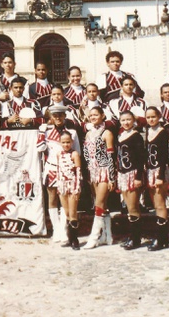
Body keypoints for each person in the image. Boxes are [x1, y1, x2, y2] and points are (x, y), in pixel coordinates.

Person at [37, 104, 81, 243]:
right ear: (51, 117)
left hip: (67, 170)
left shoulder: (72, 132)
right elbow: (40, 148)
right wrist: (41, 133)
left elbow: (77, 152)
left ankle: (65, 229)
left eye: (60, 115)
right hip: (51, 167)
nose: (58, 118)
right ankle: (57, 230)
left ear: (64, 116)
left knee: (66, 200)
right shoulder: (46, 131)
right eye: (55, 116)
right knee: (52, 198)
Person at [82, 106, 116, 249]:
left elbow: (111, 157)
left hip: (104, 171)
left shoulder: (107, 132)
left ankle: (94, 237)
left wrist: (112, 178)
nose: (93, 117)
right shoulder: (88, 133)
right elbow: (86, 156)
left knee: (99, 204)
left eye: (96, 114)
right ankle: (107, 236)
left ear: (102, 116)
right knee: (103, 205)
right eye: (91, 115)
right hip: (93, 171)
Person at [116, 110, 145, 250]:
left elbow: (141, 159)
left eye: (129, 120)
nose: (126, 122)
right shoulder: (121, 135)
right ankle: (133, 235)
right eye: (123, 120)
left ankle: (136, 239)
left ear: (133, 120)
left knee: (133, 206)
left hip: (133, 174)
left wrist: (138, 177)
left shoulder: (137, 136)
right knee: (128, 207)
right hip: (123, 174)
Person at [144, 106, 169, 251]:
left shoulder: (162, 133)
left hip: (159, 171)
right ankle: (161, 236)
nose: (151, 120)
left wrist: (160, 176)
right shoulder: (148, 131)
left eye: (153, 117)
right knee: (155, 204)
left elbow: (163, 156)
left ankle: (162, 238)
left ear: (159, 116)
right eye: (148, 117)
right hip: (150, 170)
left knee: (160, 204)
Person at [57, 130, 82, 250]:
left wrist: (77, 188)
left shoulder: (75, 154)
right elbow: (58, 170)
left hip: (72, 186)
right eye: (63, 142)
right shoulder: (59, 154)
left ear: (72, 142)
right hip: (62, 185)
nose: (66, 144)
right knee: (66, 213)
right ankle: (69, 237)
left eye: (68, 142)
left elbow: (78, 172)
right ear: (60, 142)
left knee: (73, 213)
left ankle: (75, 240)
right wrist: (59, 184)